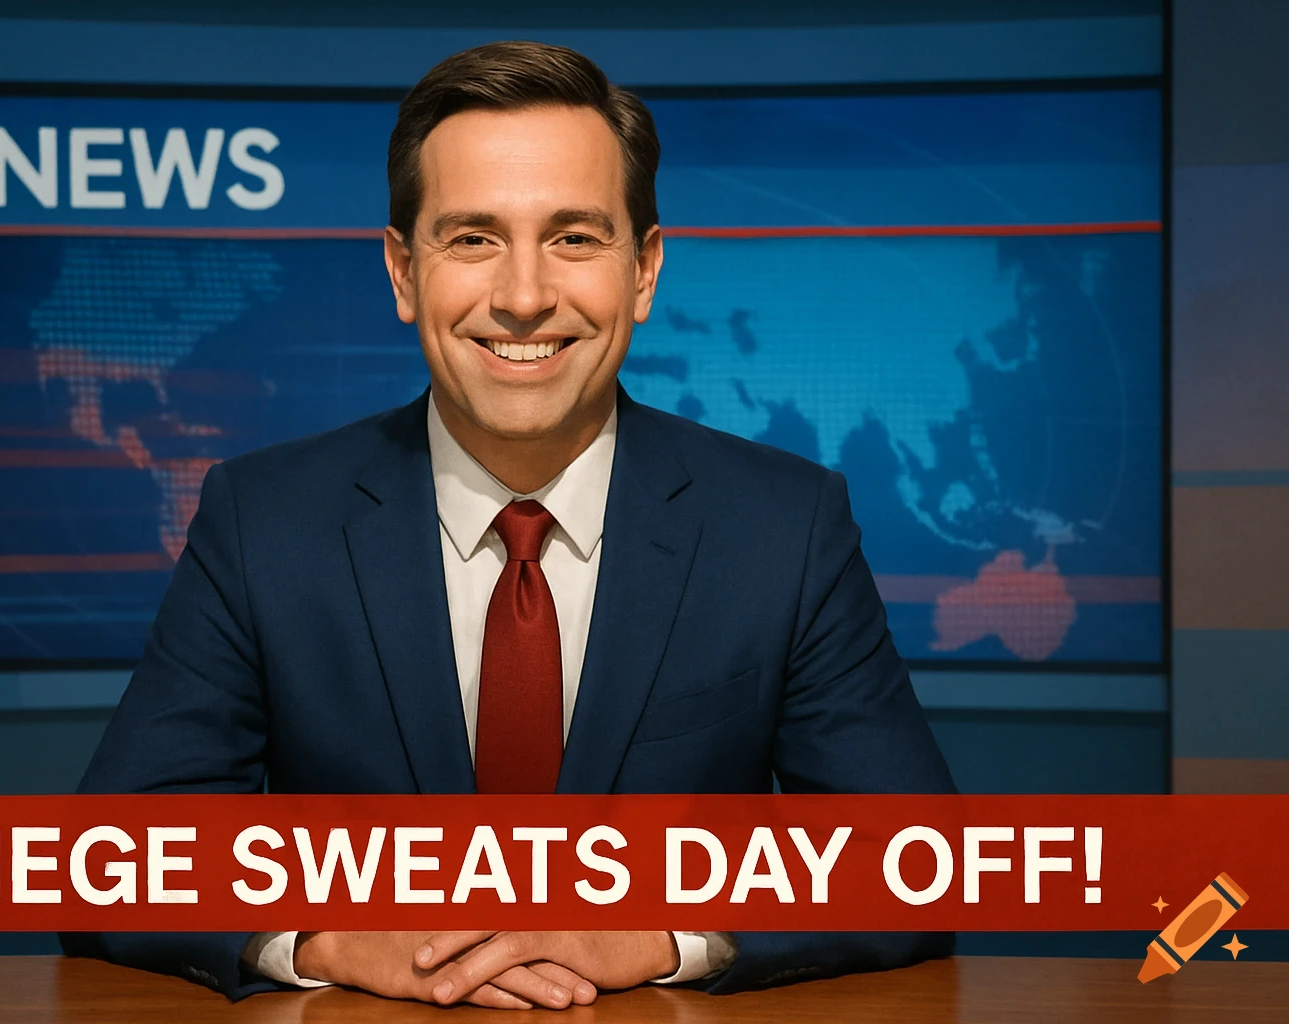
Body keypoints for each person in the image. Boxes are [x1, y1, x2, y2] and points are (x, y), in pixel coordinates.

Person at [61, 40, 955, 1009]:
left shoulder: (786, 524)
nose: (524, 297)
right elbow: (116, 857)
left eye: (573, 238)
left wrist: (662, 932)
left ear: (644, 270)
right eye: (473, 239)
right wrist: (325, 937)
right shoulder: (262, 519)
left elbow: (914, 859)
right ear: (404, 271)